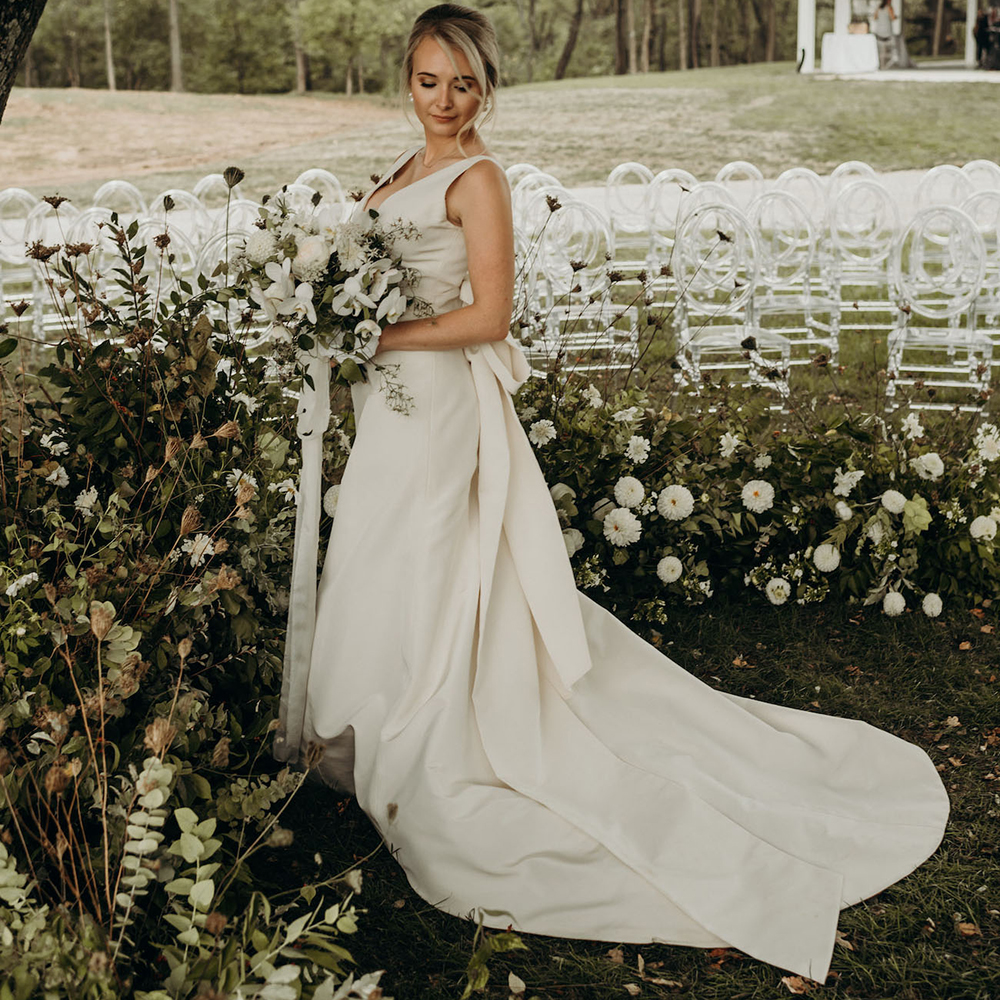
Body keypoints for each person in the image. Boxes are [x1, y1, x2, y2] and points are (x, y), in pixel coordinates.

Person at [276, 2, 949, 983]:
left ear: (486, 89)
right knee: (380, 552)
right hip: (393, 407)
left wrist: (377, 335)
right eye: (428, 81)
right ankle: (369, 715)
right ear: (407, 80)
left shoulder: (478, 178)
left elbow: (490, 314)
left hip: (439, 406)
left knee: (426, 559)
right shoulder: (407, 166)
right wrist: (337, 311)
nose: (445, 100)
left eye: (463, 84)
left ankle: (431, 727)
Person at [872, 0, 897, 68]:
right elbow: (893, 18)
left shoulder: (878, 8)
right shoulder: (889, 8)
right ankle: (888, 63)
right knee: (891, 48)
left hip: (879, 31)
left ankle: (881, 64)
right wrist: (895, 17)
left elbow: (875, 18)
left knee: (881, 50)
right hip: (887, 31)